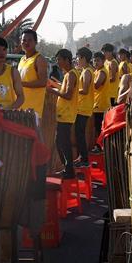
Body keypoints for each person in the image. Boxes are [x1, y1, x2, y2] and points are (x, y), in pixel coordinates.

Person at [49, 49, 78, 179]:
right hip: (64, 113)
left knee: (62, 142)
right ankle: (67, 168)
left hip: (66, 114)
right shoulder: (68, 74)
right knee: (61, 141)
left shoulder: (71, 74)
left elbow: (68, 95)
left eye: (59, 59)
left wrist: (52, 91)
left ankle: (69, 170)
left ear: (67, 60)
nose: (58, 62)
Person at [19, 28, 49, 117]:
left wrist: (20, 84)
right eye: (24, 40)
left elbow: (43, 82)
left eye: (29, 40)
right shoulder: (22, 59)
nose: (26, 43)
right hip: (21, 109)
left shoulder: (39, 59)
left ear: (35, 42)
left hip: (33, 111)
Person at [74, 48, 95, 168]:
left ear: (83, 58)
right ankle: (82, 157)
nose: (77, 60)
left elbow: (85, 90)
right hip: (82, 106)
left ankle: (84, 159)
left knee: (80, 134)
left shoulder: (87, 72)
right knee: (79, 133)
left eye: (78, 58)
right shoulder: (85, 70)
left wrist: (73, 90)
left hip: (84, 107)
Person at [90, 52, 109, 154]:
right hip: (97, 103)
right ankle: (99, 146)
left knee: (100, 128)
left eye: (98, 60)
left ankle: (100, 147)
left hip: (101, 104)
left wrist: (87, 82)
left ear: (103, 61)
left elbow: (96, 85)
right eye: (94, 60)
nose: (95, 62)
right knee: (98, 127)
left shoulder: (102, 72)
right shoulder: (97, 71)